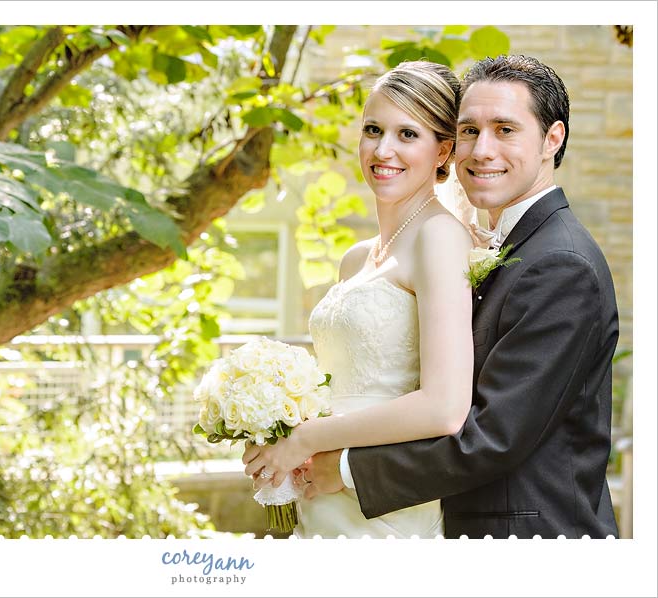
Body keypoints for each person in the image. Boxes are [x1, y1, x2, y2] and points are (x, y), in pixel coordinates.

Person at [256, 55, 620, 539]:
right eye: (470, 129)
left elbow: (489, 434)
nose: (482, 149)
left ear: (552, 139)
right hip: (366, 508)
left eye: (505, 129)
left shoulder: (561, 262)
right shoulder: (499, 245)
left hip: (531, 538)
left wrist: (339, 465)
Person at [243, 59, 474, 538]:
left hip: (381, 506)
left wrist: (308, 438)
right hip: (321, 497)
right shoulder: (354, 259)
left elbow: (444, 407)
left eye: (407, 134)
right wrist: (279, 427)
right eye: (373, 129)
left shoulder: (439, 237)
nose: (383, 149)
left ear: (443, 151)